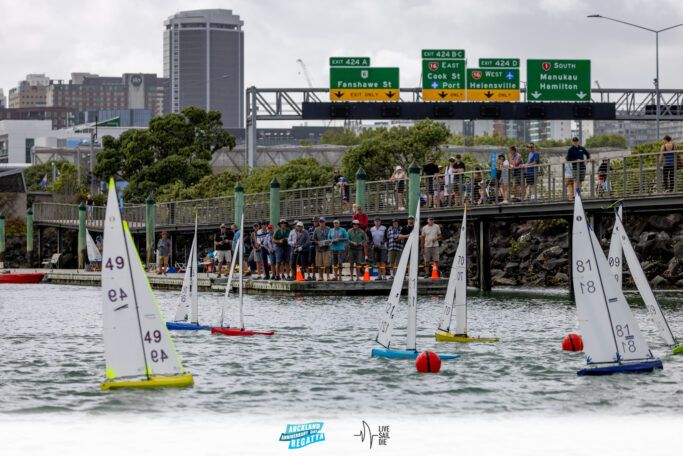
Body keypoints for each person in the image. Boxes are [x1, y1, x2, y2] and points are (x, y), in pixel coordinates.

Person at [313, 217, 332, 281]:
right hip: (319, 249)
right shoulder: (316, 229)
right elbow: (314, 239)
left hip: (327, 249)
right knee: (319, 264)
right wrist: (318, 242)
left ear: (325, 222)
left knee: (327, 264)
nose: (321, 223)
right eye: (320, 222)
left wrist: (329, 241)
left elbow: (331, 238)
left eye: (322, 222)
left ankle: (328, 276)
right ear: (319, 222)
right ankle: (320, 276)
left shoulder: (329, 229)